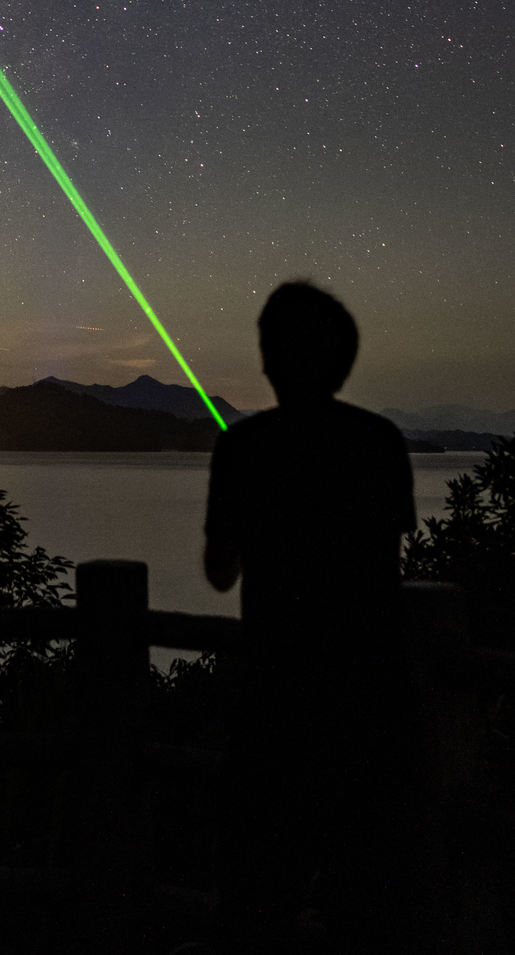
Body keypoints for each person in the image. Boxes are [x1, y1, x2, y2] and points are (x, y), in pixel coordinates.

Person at [202, 281, 417, 954]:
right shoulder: (379, 441)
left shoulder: (243, 447)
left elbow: (218, 571)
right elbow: (387, 562)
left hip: (273, 701)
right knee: (368, 895)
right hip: (368, 701)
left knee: (258, 893)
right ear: (342, 360)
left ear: (268, 359)